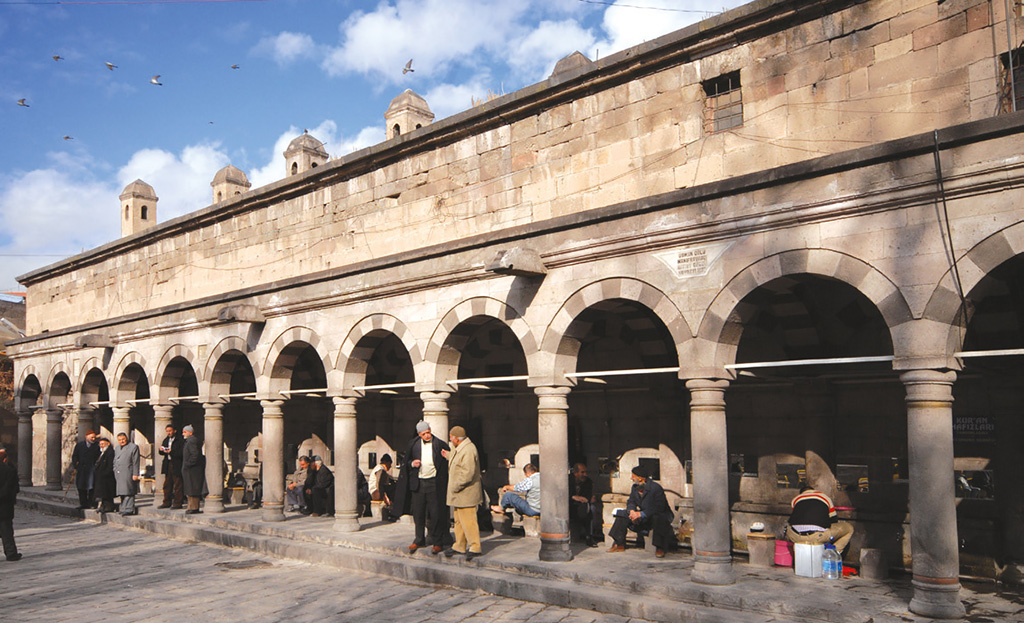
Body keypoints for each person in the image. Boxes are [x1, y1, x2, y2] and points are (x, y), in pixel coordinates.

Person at [392, 421, 451, 554]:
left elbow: (449, 459)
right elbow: (405, 462)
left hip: (434, 483)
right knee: (418, 513)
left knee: (436, 513)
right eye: (424, 434)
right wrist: (412, 463)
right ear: (419, 434)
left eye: (428, 433)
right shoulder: (413, 444)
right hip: (418, 483)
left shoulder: (439, 443)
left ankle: (437, 542)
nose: (427, 436)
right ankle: (419, 539)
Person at [608, 466, 675, 558]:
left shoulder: (655, 488)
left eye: (633, 476)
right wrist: (632, 511)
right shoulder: (635, 487)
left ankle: (660, 547)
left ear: (640, 478)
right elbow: (631, 501)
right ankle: (619, 543)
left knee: (658, 518)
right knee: (622, 514)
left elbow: (659, 507)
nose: (631, 478)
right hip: (642, 515)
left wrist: (640, 514)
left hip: (656, 516)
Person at [442, 426, 483, 559]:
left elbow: (468, 472)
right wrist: (448, 455)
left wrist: (455, 486)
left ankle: (475, 546)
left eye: (451, 437)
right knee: (459, 520)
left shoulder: (469, 449)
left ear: (456, 439)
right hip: (459, 493)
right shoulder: (459, 447)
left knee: (469, 521)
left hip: (466, 491)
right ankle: (459, 545)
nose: (450, 439)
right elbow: (457, 460)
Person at [785, 485, 854, 554]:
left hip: (795, 537)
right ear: (814, 490)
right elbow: (834, 520)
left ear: (801, 493)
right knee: (849, 529)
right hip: (817, 536)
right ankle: (832, 554)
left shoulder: (795, 499)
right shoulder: (824, 497)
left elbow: (799, 518)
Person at [570, 463, 600, 547]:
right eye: (582, 472)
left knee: (591, 509)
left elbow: (589, 496)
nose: (585, 475)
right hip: (570, 505)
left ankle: (589, 536)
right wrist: (573, 497)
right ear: (575, 473)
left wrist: (587, 498)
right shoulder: (568, 480)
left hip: (582, 505)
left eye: (585, 472)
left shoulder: (588, 482)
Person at [0, 445, 21, 561]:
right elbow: (14, 488)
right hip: (5, 505)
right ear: (5, 458)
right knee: (6, 530)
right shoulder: (10, 470)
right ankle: (11, 553)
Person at [71, 430, 100, 509]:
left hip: (92, 469)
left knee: (92, 487)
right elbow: (75, 456)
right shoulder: (80, 445)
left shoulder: (97, 446)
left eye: (94, 437)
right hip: (82, 469)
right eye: (91, 437)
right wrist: (76, 465)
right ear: (86, 437)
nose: (93, 439)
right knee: (81, 487)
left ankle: (92, 503)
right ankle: (83, 504)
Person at [181, 425, 207, 514]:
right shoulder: (188, 441)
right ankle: (190, 506)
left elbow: (195, 454)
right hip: (189, 469)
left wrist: (188, 464)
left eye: (185, 432)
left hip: (193, 470)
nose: (183, 434)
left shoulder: (192, 441)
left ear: (190, 433)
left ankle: (194, 507)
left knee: (193, 489)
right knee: (189, 489)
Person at [113, 432, 141, 516]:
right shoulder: (117, 448)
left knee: (128, 491)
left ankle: (129, 508)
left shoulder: (133, 447)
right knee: (122, 491)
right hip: (119, 472)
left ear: (126, 439)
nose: (122, 441)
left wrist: (135, 473)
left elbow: (136, 461)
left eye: (123, 439)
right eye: (120, 440)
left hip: (128, 471)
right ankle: (123, 507)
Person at [157, 424, 184, 509]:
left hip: (177, 464)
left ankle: (177, 502)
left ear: (174, 431)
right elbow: (162, 452)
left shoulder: (180, 440)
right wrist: (161, 450)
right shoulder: (166, 440)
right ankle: (166, 501)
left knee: (178, 484)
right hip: (168, 463)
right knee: (167, 484)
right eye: (167, 431)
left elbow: (181, 452)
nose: (168, 433)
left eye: (170, 431)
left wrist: (171, 451)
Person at [93, 437, 116, 513]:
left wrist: (105, 473)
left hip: (107, 477)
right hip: (101, 477)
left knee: (107, 493)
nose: (101, 446)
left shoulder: (110, 452)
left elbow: (110, 465)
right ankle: (103, 506)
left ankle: (108, 507)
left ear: (108, 444)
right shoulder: (102, 452)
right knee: (102, 494)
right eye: (100, 444)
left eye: (103, 444)